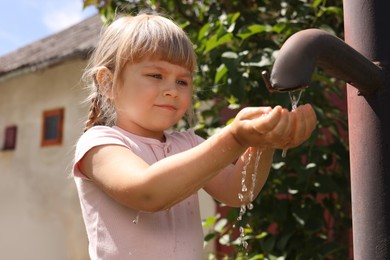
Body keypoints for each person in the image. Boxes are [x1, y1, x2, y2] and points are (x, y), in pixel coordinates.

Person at [72, 11, 317, 259]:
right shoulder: (99, 144)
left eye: (182, 81)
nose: (172, 90)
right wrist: (235, 138)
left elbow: (238, 192)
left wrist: (263, 143)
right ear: (107, 83)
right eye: (156, 75)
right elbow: (148, 192)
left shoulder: (187, 143)